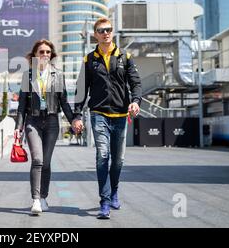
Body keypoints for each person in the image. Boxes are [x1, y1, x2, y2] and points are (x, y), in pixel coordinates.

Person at [73, 17, 142, 220]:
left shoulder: (125, 57)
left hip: (121, 115)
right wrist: (77, 115)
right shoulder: (89, 59)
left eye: (108, 29)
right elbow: (81, 89)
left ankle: (114, 191)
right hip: (99, 113)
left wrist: (136, 101)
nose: (105, 33)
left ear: (112, 32)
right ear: (95, 34)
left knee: (118, 160)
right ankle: (104, 201)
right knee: (103, 156)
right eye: (101, 30)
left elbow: (135, 83)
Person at [14, 39, 80, 215]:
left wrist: (73, 119)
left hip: (51, 121)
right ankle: (35, 200)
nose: (44, 55)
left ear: (51, 55)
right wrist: (18, 127)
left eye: (47, 52)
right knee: (37, 160)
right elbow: (21, 104)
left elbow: (63, 102)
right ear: (35, 55)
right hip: (32, 121)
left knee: (47, 163)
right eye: (41, 52)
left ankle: (43, 196)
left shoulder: (57, 75)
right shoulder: (28, 76)